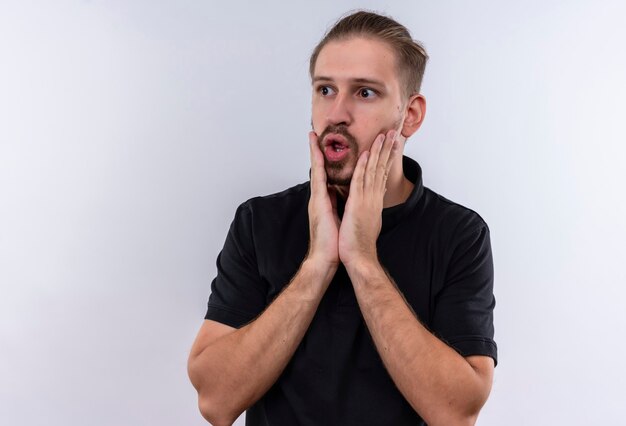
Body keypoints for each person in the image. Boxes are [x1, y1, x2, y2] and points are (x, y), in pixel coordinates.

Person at [188, 10, 497, 426]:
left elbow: (456, 413)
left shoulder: (459, 234)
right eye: (325, 89)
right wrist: (317, 264)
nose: (336, 113)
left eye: (365, 93)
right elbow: (215, 401)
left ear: (411, 114)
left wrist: (363, 261)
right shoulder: (259, 221)